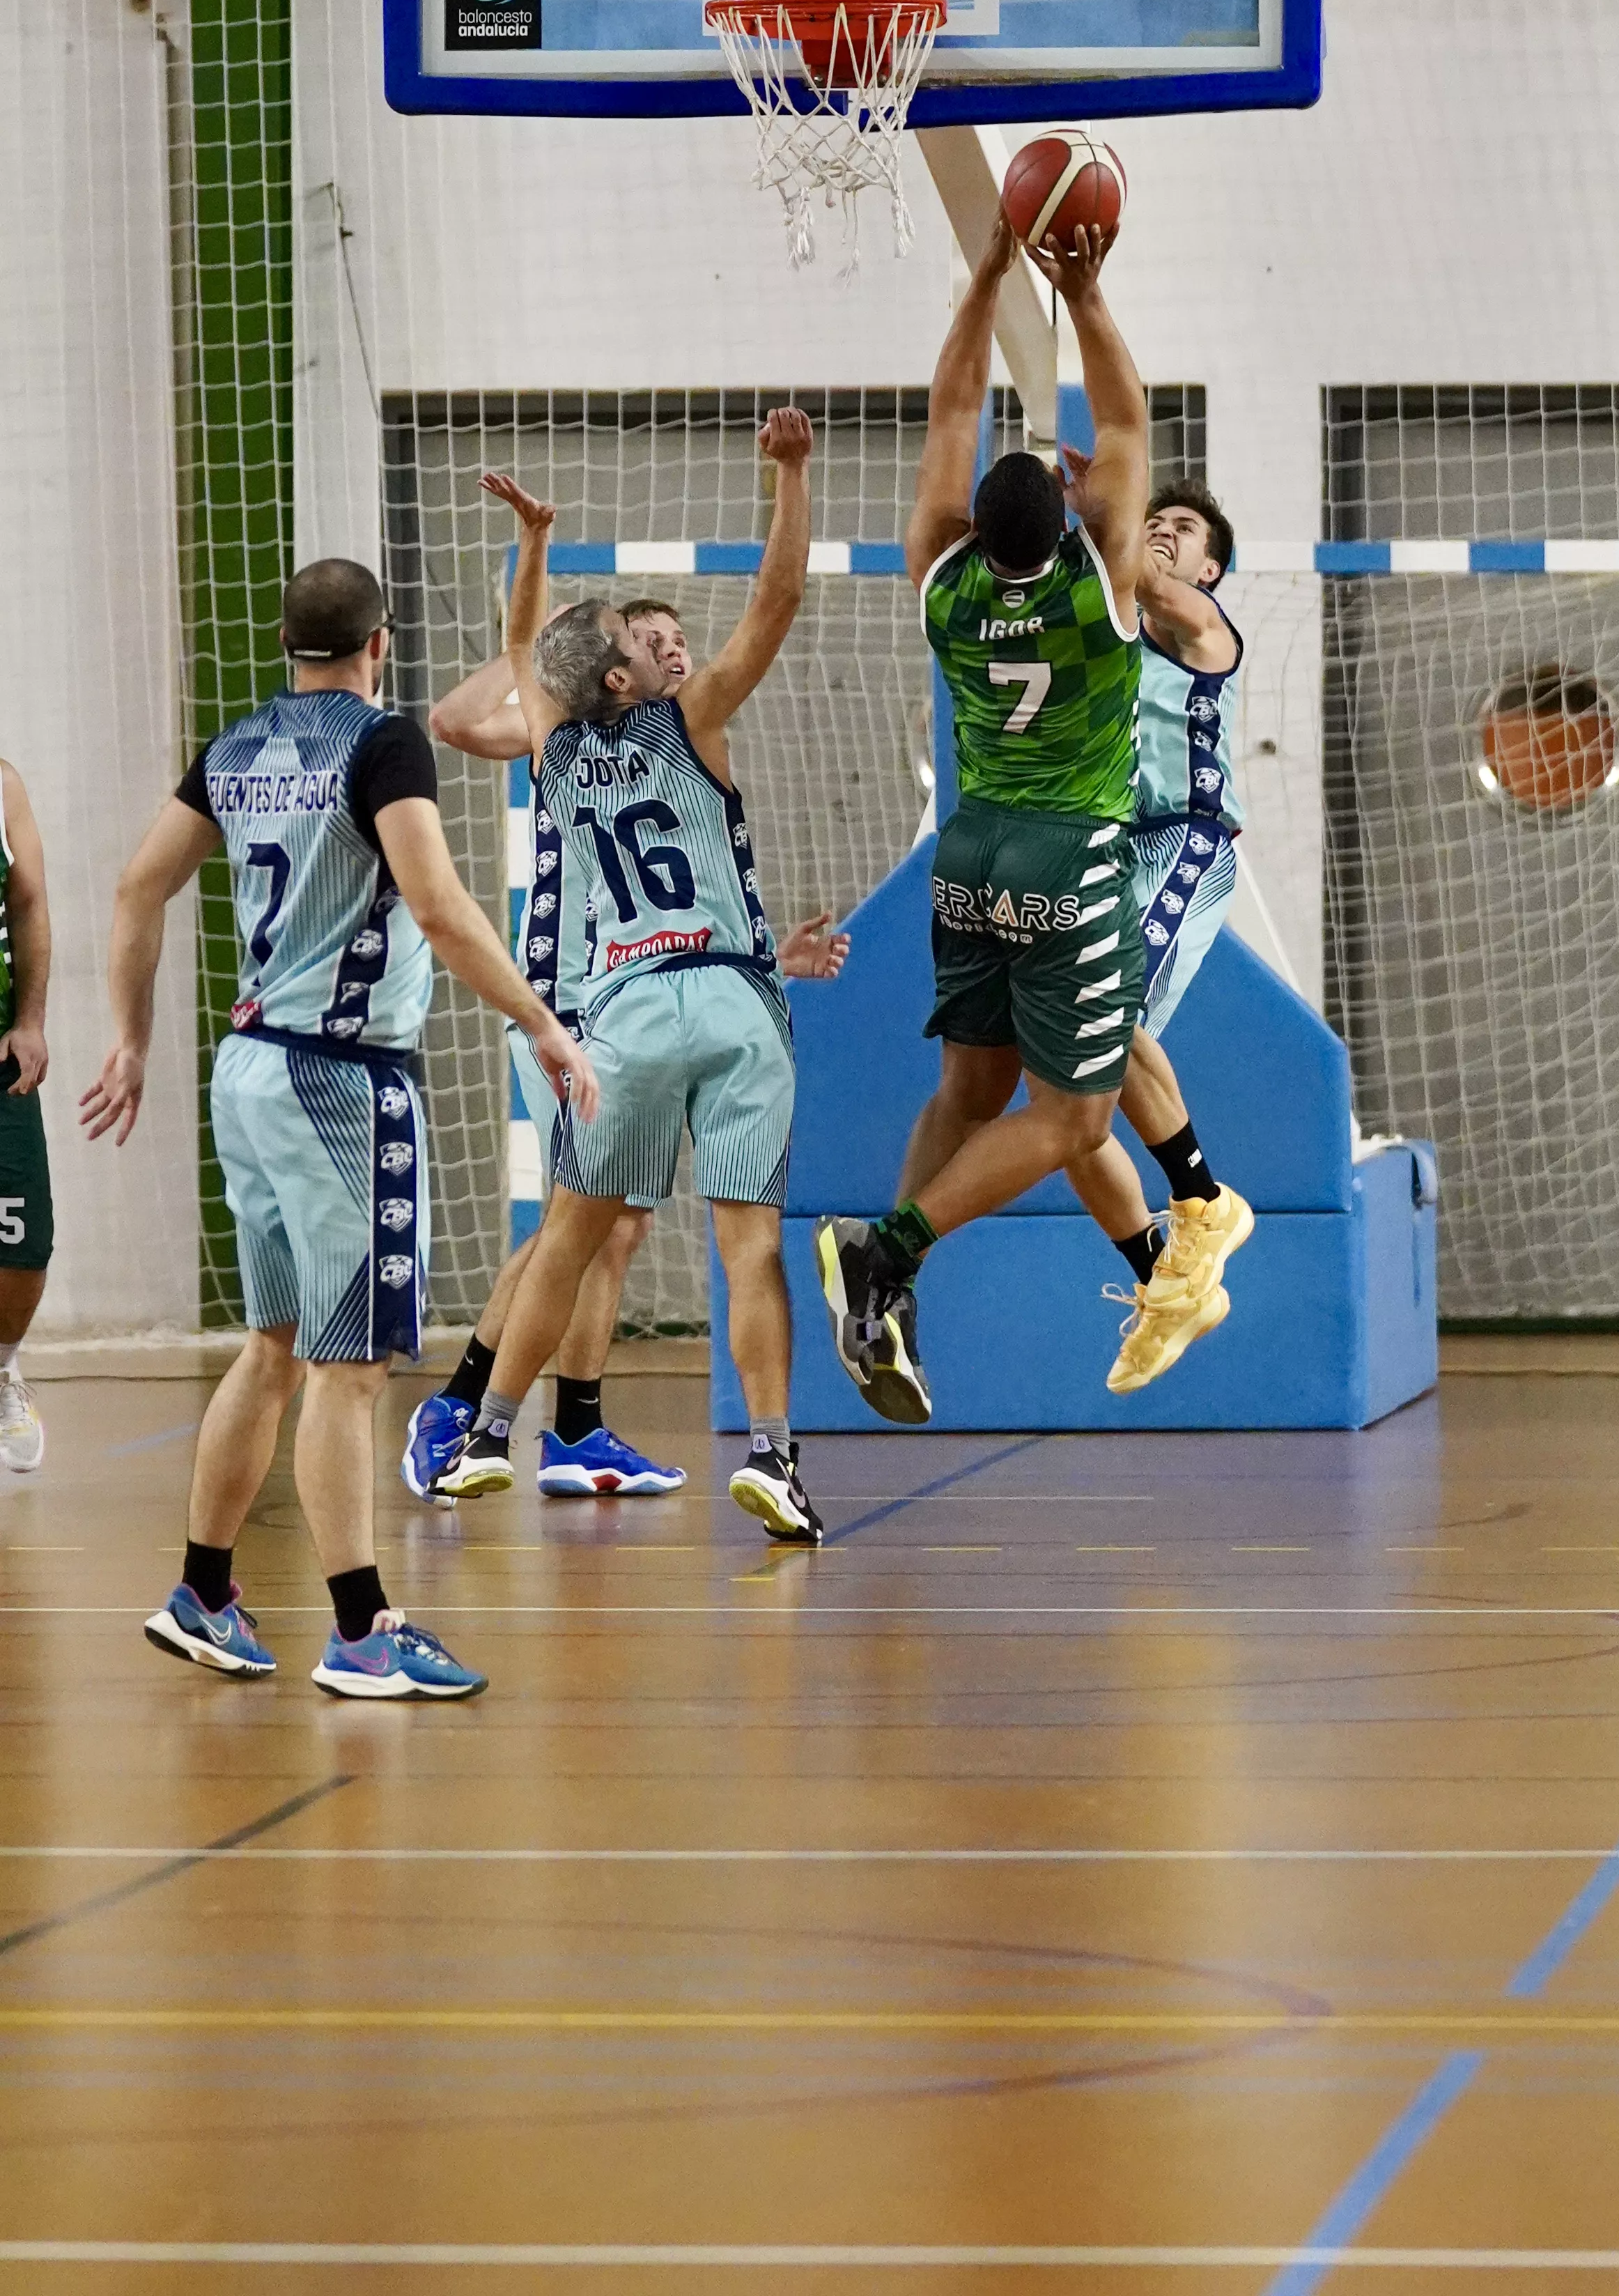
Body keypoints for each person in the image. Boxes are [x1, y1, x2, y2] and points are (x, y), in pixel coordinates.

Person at [81, 557, 598, 1700]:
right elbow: (434, 904)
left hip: (246, 1071)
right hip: (338, 1083)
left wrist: (129, 1039)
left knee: (272, 1347)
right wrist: (542, 1024)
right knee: (349, 1368)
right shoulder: (381, 743)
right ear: (381, 641)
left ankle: (203, 1590)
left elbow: (134, 887)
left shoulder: (234, 749)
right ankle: (363, 1628)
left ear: (286, 644)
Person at [814, 216, 1247, 1423]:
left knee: (964, 1093)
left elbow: (949, 415)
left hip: (971, 853)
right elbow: (1124, 421)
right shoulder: (1103, 583)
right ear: (1065, 528)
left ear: (969, 529)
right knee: (1068, 1119)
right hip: (1073, 856)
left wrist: (984, 283)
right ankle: (887, 1249)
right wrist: (1085, 293)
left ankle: (884, 1304)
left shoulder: (937, 579)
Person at [430, 415, 823, 1543]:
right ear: (619, 671)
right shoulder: (690, 721)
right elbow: (778, 601)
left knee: (568, 1234)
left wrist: (533, 547)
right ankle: (772, 1457)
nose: (658, 645)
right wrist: (789, 478)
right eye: (632, 637)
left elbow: (520, 649)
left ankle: (486, 1437)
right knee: (746, 1245)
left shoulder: (552, 745)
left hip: (627, 1014)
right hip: (735, 1005)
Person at [1062, 481, 1254, 1393]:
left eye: (1181, 529)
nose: (1161, 536)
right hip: (1109, 850)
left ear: (1210, 566)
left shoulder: (1201, 627)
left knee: (1103, 1016)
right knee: (1066, 1088)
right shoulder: (1119, 637)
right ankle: (1163, 1279)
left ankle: (1206, 1202)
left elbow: (1132, 573)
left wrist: (1090, 503)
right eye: (1154, 525)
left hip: (1185, 840)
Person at [0, 760, 52, 1472]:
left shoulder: (4, 783)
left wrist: (32, 1019)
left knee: (22, 1241)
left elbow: (30, 903)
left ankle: (3, 1371)